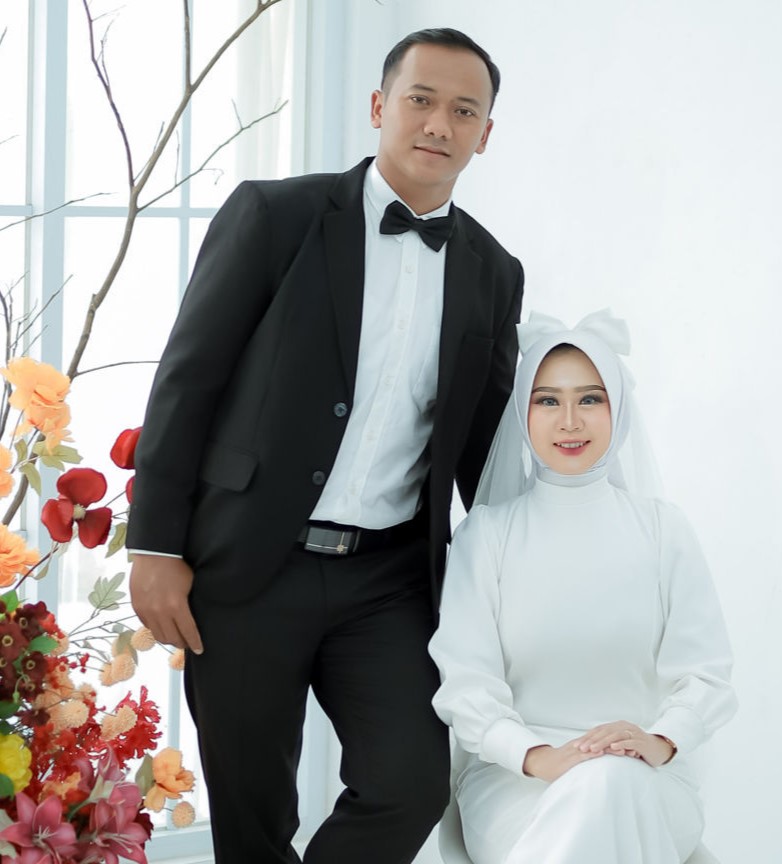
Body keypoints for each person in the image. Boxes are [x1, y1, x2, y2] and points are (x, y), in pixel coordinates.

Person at [126, 28, 523, 864]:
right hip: (247, 564)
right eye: (421, 100)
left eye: (464, 111)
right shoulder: (275, 216)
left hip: (389, 582)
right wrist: (155, 545)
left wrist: (531, 568)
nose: (439, 124)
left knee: (411, 783)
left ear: (485, 133)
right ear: (380, 106)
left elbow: (485, 449)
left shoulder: (494, 271)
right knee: (252, 816)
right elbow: (187, 380)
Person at [429, 310, 737, 864]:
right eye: (548, 401)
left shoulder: (663, 530)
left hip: (646, 778)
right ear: (522, 412)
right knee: (595, 793)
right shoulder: (487, 536)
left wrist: (660, 740)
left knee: (608, 783)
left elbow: (707, 674)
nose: (569, 421)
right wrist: (538, 755)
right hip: (516, 782)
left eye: (590, 399)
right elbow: (466, 685)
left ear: (618, 408)